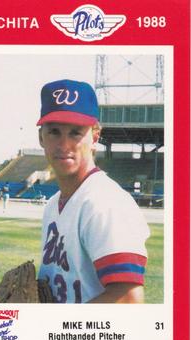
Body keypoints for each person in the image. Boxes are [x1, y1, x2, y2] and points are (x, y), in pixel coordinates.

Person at [37, 79, 150, 303]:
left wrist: (55, 329)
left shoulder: (104, 203)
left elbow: (129, 299)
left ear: (95, 138)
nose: (64, 144)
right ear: (41, 138)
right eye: (54, 132)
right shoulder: (53, 205)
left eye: (76, 133)